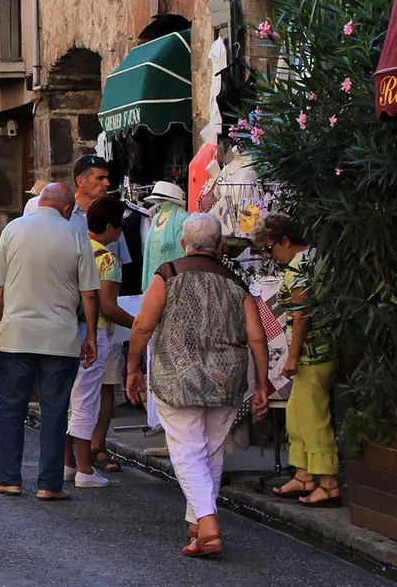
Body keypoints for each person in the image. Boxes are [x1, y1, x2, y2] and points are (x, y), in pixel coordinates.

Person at [126, 213, 270, 557]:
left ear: (182, 243)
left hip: (178, 375)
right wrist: (263, 383)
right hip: (227, 378)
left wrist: (132, 367)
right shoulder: (237, 282)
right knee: (211, 450)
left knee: (187, 450)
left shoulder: (169, 274)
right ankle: (197, 528)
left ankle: (208, 523)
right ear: (220, 246)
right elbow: (257, 337)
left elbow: (143, 326)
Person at [0, 182, 100, 501]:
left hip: (16, 334)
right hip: (60, 338)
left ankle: (9, 479)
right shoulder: (76, 234)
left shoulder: (13, 229)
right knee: (54, 411)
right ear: (66, 208)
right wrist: (90, 335)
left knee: (11, 408)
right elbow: (89, 293)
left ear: (40, 203)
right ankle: (49, 484)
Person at [256, 214, 340, 509]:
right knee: (297, 412)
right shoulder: (317, 258)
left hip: (310, 353)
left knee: (313, 418)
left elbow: (301, 314)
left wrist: (292, 356)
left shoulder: (299, 267)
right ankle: (304, 474)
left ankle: (328, 483)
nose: (270, 255)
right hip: (319, 349)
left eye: (269, 249)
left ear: (285, 242)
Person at [65, 197, 138, 487]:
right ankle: (85, 469)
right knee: (87, 402)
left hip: (69, 331)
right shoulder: (107, 259)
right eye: (119, 226)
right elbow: (107, 305)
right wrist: (138, 324)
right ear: (109, 226)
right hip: (95, 335)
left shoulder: (74, 249)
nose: (121, 233)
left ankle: (68, 464)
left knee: (68, 401)